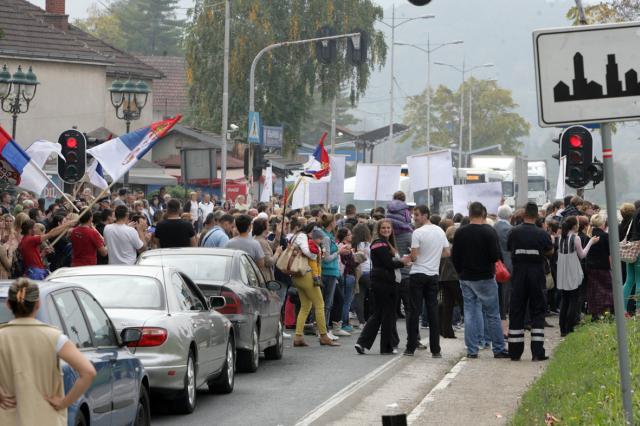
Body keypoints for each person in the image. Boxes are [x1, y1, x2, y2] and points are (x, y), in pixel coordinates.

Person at [0, 279, 97, 425]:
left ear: (8, 304)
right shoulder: (54, 337)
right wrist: (64, 402)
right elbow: (88, 372)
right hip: (46, 418)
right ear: (37, 304)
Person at [452, 202, 509, 359]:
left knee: (469, 313)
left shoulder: (460, 232)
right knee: (492, 314)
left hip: (466, 278)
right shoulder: (489, 231)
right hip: (485, 277)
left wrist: (461, 272)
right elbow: (495, 256)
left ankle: (472, 350)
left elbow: (454, 256)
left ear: (469, 214)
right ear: (483, 214)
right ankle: (498, 348)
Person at [355, 219, 411, 355]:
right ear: (378, 230)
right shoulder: (379, 243)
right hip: (384, 283)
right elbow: (387, 263)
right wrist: (403, 262)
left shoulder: (387, 243)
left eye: (388, 228)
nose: (386, 230)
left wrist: (402, 261)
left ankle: (362, 343)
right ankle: (386, 347)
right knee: (386, 315)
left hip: (387, 282)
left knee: (380, 314)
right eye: (383, 228)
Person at [507, 202, 554, 361]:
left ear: (524, 214)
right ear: (537, 216)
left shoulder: (514, 232)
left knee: (517, 311)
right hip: (536, 275)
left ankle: (514, 352)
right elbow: (550, 250)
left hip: (519, 274)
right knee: (537, 311)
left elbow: (509, 248)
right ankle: (537, 352)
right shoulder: (542, 234)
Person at [403, 205, 448, 357]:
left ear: (425, 215)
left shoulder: (417, 232)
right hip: (433, 275)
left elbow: (414, 257)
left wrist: (409, 257)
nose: (414, 217)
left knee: (414, 312)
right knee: (433, 312)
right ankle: (436, 350)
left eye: (416, 215)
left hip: (417, 274)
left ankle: (410, 348)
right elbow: (447, 252)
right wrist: (434, 257)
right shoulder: (440, 231)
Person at [290, 223, 339, 347]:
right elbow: (309, 253)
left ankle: (298, 336)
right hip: (307, 275)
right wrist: (317, 251)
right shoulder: (303, 237)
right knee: (320, 304)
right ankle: (323, 336)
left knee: (306, 306)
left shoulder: (302, 237)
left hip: (300, 275)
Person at [557, 216, 598, 336]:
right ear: (575, 226)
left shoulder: (561, 238)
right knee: (573, 300)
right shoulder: (576, 238)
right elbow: (582, 255)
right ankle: (569, 327)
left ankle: (562, 328)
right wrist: (591, 242)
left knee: (565, 300)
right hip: (572, 270)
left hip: (563, 270)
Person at [319, 214, 351, 337]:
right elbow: (326, 258)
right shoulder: (326, 237)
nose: (336, 223)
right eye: (334, 221)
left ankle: (325, 329)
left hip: (331, 271)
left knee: (328, 302)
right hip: (328, 271)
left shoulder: (329, 236)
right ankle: (324, 330)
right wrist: (339, 251)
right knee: (327, 303)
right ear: (331, 223)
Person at [586, 214, 613, 320]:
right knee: (606, 291)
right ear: (602, 223)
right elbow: (609, 253)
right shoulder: (605, 236)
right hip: (603, 267)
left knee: (593, 290)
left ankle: (594, 313)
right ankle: (605, 312)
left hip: (590, 267)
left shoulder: (588, 235)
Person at [439, 225, 462, 339]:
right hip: (455, 278)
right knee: (463, 304)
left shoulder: (443, 247)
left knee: (447, 306)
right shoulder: (458, 247)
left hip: (444, 278)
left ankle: (446, 331)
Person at [494, 204, 513, 335]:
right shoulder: (511, 229)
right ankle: (503, 315)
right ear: (510, 216)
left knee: (497, 291)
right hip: (507, 263)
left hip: (494, 263)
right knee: (506, 292)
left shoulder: (492, 227)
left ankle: (500, 314)